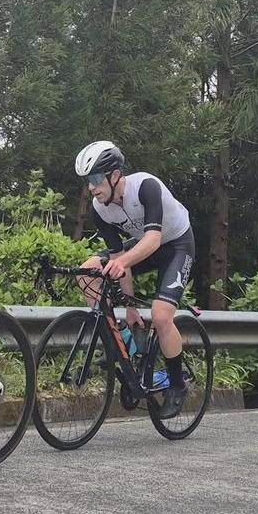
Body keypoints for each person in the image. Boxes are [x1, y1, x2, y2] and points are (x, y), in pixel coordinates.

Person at [74, 140, 195, 419]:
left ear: (115, 175)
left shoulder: (146, 186)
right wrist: (129, 308)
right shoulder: (100, 209)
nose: (91, 187)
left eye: (95, 178)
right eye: (88, 180)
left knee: (161, 316)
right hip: (143, 247)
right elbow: (118, 258)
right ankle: (122, 341)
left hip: (176, 245)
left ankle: (177, 385)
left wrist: (121, 262)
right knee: (87, 272)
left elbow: (153, 239)